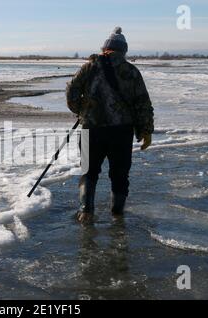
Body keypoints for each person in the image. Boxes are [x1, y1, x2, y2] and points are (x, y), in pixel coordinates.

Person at [66, 27, 154, 223]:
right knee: (120, 174)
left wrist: (81, 110)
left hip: (91, 129)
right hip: (121, 132)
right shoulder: (131, 71)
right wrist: (146, 131)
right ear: (123, 51)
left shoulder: (89, 67)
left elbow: (72, 91)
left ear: (106, 48)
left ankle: (86, 212)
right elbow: (143, 103)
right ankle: (117, 215)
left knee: (89, 171)